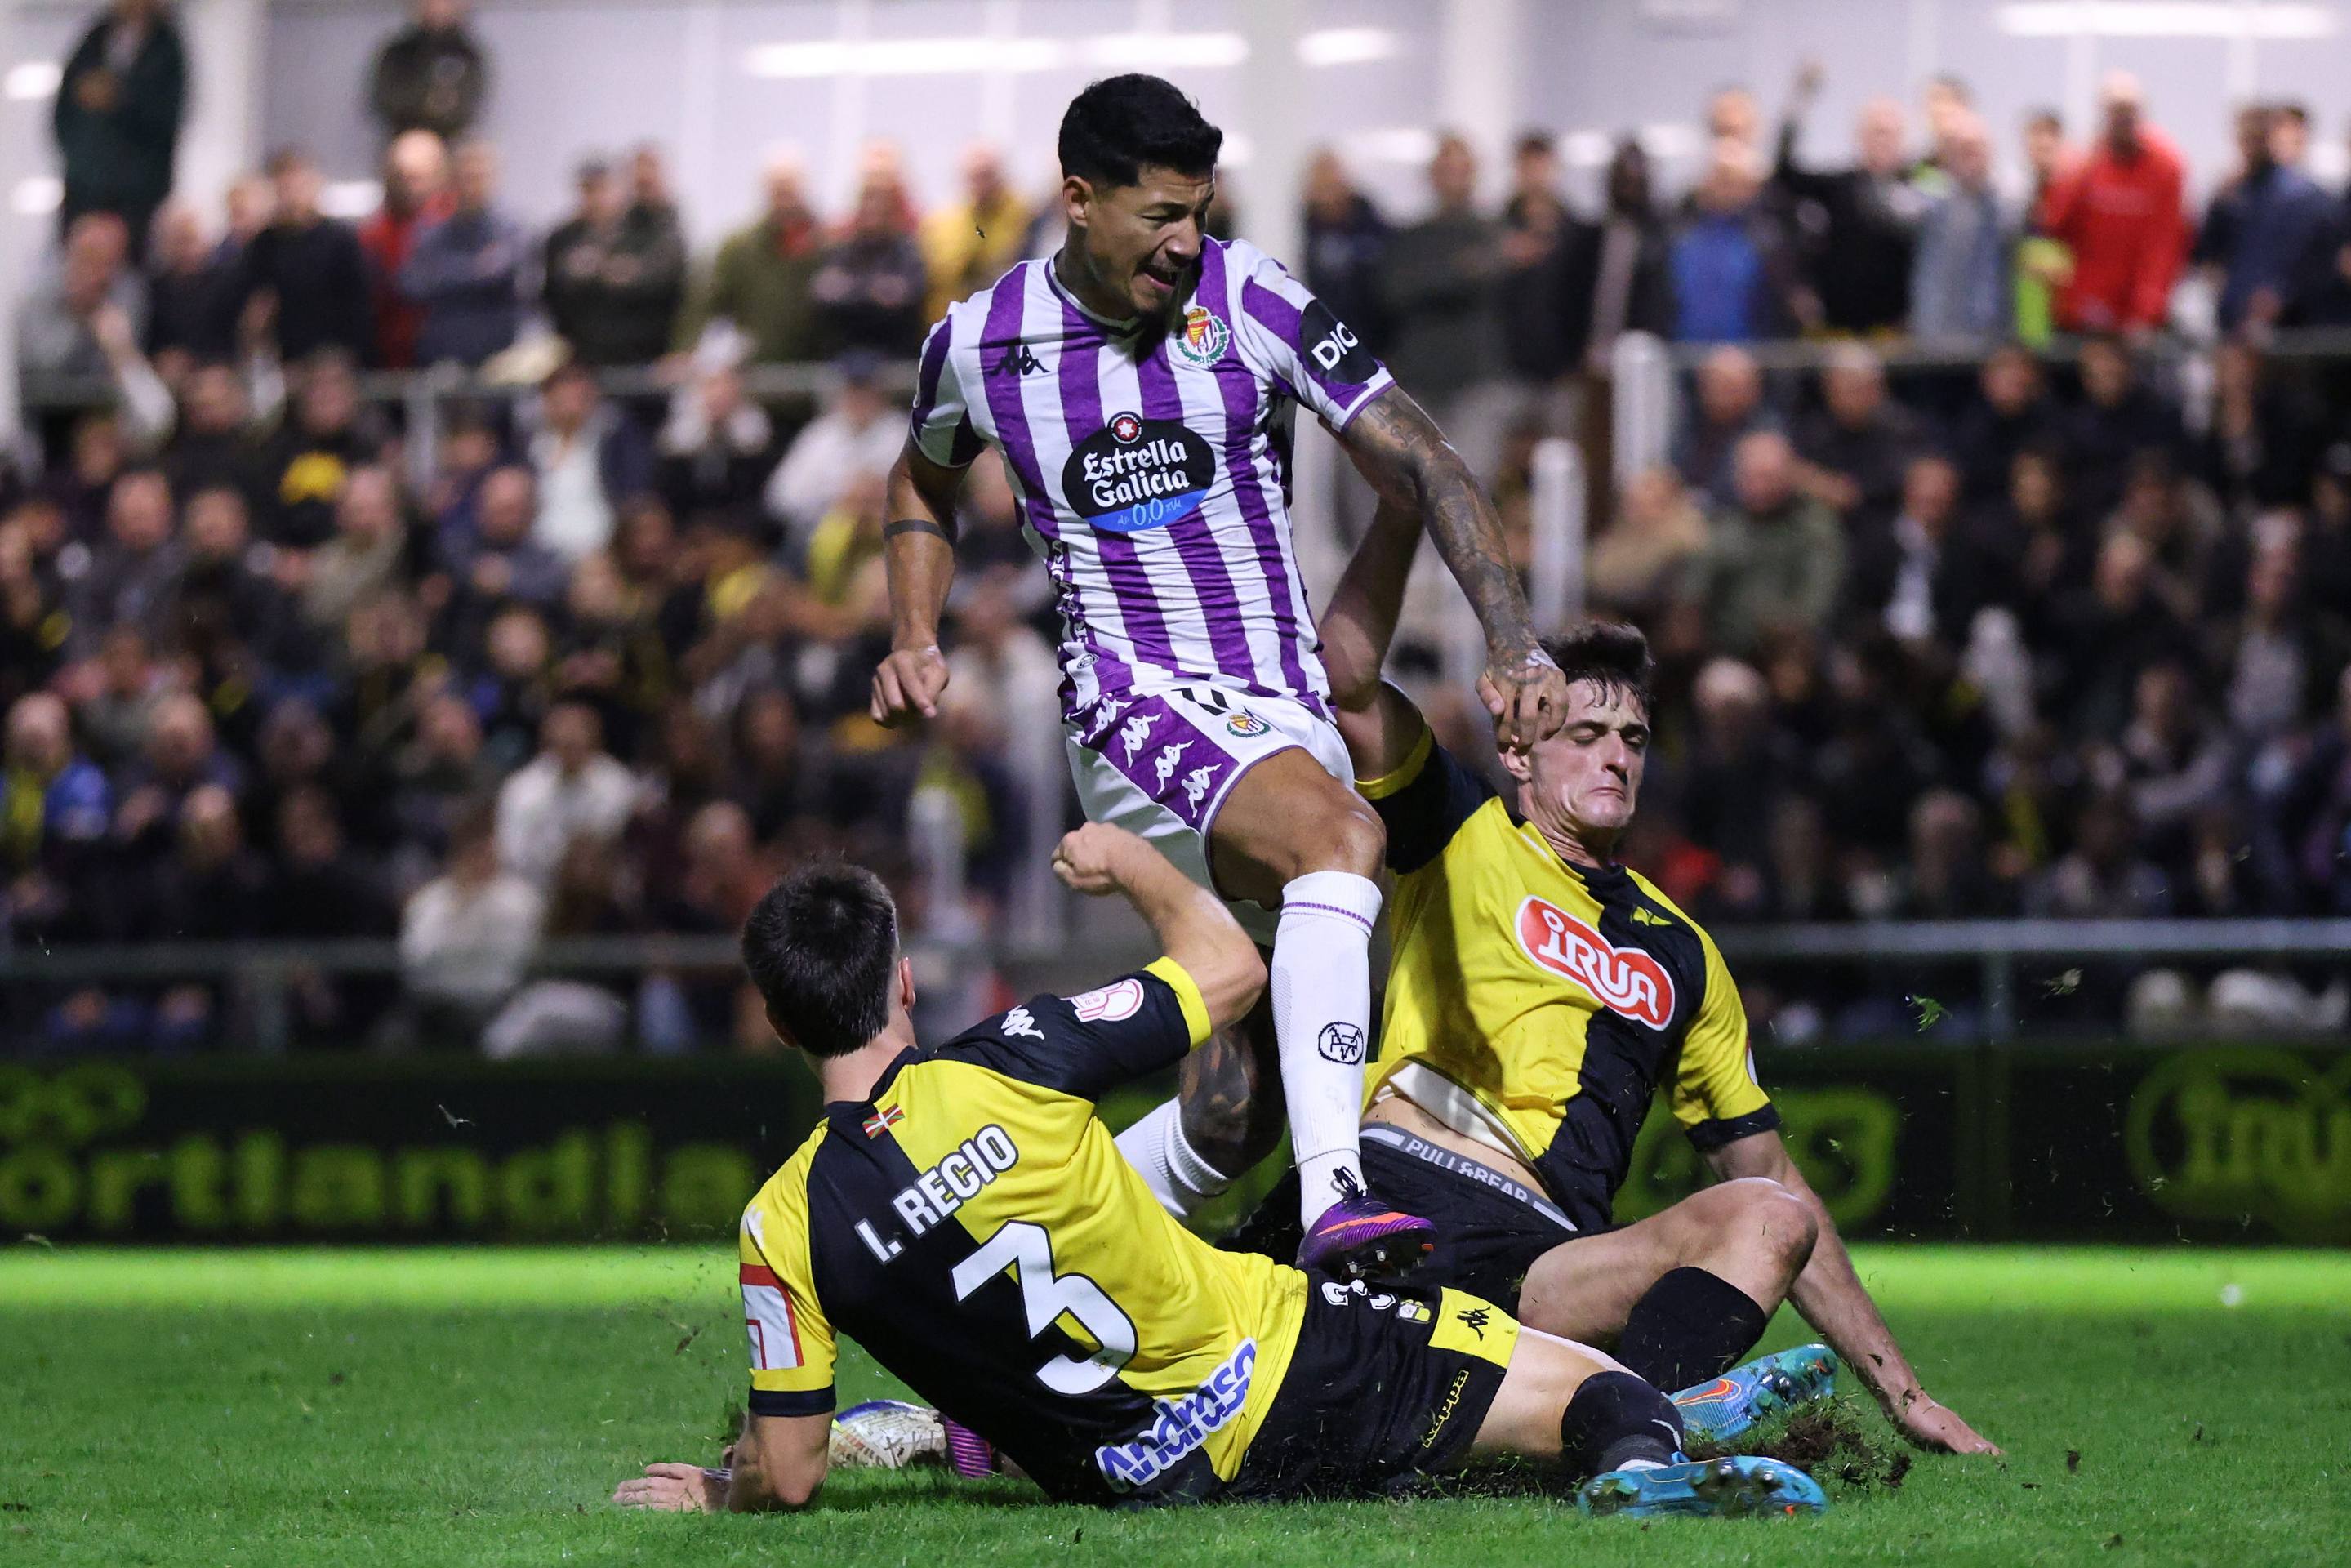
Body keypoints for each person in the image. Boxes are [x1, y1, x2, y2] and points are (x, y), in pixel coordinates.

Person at [872, 74, 1568, 1281]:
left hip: (1277, 710)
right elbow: (918, 483)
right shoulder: (979, 342)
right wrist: (911, 628)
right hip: (1130, 701)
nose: (1185, 243)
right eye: (1159, 216)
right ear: (1078, 201)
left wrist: (1511, 639)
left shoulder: (1248, 299)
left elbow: (1429, 457)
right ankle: (1338, 1207)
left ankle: (1004, 1276)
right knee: (1340, 835)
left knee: (1241, 1108)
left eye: (1199, 211)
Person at [611, 826, 1826, 1516]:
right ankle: (1646, 1463)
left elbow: (790, 1471)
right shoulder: (1008, 1068)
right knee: (1605, 1401)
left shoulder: (780, 1225)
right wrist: (1129, 865)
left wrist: (717, 1498)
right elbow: (1230, 972)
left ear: (777, 1025)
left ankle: (1634, 1425)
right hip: (1297, 1365)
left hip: (1149, 1484)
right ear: (904, 981)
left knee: (1494, 1423)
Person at [1216, 497, 2000, 1454]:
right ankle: (1616, 1424)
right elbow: (1344, 689)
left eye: (1631, 739)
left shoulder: (1682, 952)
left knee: (1769, 1216)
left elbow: (1766, 1171)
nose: (1616, 754)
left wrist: (1903, 1392)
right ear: (1517, 753)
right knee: (1166, 1396)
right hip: (1392, 1192)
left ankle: (1645, 1420)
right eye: (1584, 733)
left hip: (1543, 1269)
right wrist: (1396, 503)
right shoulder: (1460, 832)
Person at [1772, 60, 1924, 335]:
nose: (1883, 141)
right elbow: (1785, 173)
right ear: (1859, 137)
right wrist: (1800, 101)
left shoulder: (1919, 189)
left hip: (1895, 333)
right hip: (1838, 328)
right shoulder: (1839, 185)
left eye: (1890, 134)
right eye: (1876, 132)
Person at [2034, 73, 2185, 336]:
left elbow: (2164, 245)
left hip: (2136, 319)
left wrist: (2146, 311)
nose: (2122, 119)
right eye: (2115, 111)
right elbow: (2055, 227)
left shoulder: (2165, 167)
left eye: (2129, 110)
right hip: (2083, 312)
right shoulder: (2085, 165)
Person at [51, 0, 188, 256]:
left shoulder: (166, 48)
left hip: (138, 194)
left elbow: (167, 115)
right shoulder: (95, 39)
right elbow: (65, 108)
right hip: (86, 186)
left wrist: (121, 99)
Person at [672, 158, 822, 368]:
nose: (784, 197)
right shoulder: (739, 248)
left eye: (789, 188)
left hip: (815, 369)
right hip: (757, 369)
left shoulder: (825, 244)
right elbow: (707, 301)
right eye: (778, 189)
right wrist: (685, 348)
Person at [542, 158, 688, 368]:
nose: (596, 199)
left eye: (603, 188)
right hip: (583, 354)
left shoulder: (649, 230)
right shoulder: (563, 238)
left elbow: (664, 284)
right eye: (588, 190)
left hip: (644, 353)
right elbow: (554, 293)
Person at [400, 139, 527, 367]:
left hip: (497, 359)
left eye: (480, 177)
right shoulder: (430, 231)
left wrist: (443, 271)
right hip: (442, 355)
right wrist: (477, 268)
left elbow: (505, 275)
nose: (472, 186)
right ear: (452, 180)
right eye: (466, 177)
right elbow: (412, 284)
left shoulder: (511, 230)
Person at [238, 149, 372, 363]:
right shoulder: (263, 246)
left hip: (332, 358)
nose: (292, 193)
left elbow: (357, 306)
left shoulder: (340, 241)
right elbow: (256, 307)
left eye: (298, 184)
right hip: (285, 361)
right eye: (285, 186)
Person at [368, 0, 489, 144]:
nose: (437, 7)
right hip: (404, 137)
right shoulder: (398, 52)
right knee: (413, 153)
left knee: (477, 158)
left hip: (454, 140)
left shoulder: (467, 53)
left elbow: (468, 102)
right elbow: (387, 100)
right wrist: (428, 103)